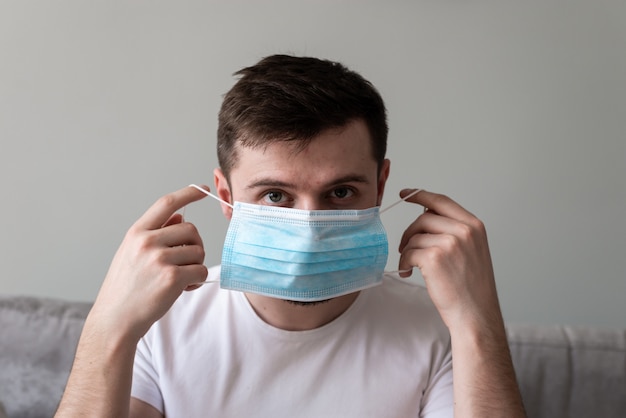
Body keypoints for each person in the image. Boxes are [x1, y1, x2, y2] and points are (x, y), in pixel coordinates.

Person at [56, 55, 526, 417]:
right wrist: (106, 328)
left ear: (380, 186)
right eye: (276, 195)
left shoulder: (439, 329)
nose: (309, 229)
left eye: (340, 191)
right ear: (225, 195)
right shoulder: (161, 325)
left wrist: (478, 323)